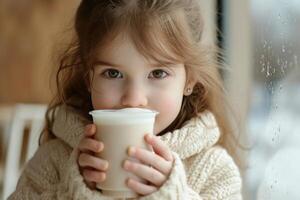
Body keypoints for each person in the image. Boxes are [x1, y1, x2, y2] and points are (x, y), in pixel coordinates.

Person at [9, 0, 242, 199]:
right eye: (113, 73)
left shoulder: (215, 170)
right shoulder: (53, 160)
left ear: (189, 80)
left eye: (158, 73)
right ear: (89, 78)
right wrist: (73, 191)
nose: (134, 99)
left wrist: (174, 195)